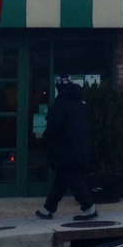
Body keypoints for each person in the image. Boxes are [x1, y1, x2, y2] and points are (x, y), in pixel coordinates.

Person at [35, 81, 98, 220]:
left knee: (74, 179)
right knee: (61, 181)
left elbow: (53, 128)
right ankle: (47, 208)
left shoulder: (60, 105)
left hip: (65, 150)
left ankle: (89, 207)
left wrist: (45, 138)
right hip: (81, 148)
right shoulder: (82, 105)